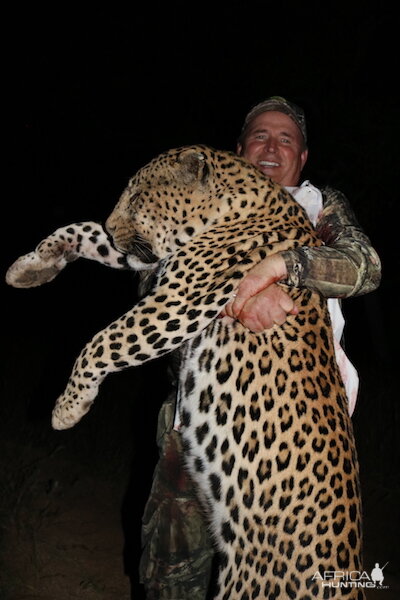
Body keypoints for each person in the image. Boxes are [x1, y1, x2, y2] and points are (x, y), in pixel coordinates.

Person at [138, 96, 381, 600]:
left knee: (294, 579)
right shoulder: (199, 204)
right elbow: (147, 280)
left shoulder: (320, 207)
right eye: (259, 137)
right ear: (237, 150)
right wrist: (232, 300)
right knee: (168, 575)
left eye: (286, 138)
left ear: (304, 157)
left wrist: (283, 268)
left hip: (292, 444)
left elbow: (365, 265)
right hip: (196, 422)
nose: (271, 148)